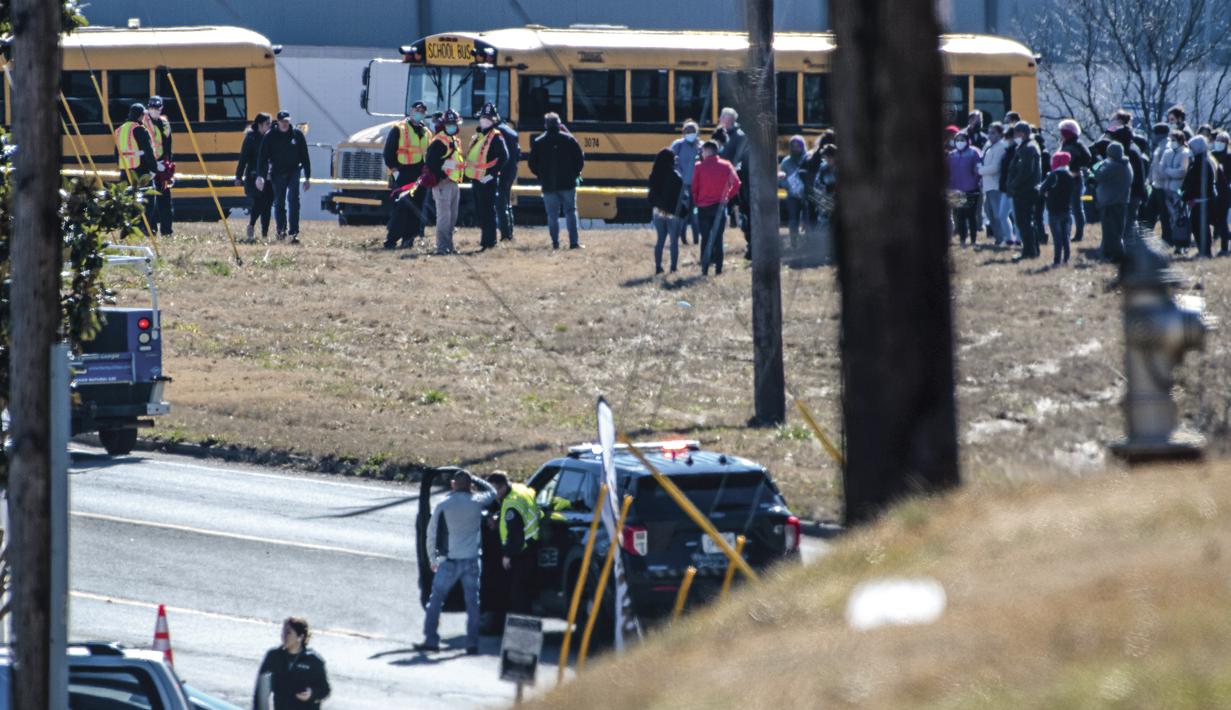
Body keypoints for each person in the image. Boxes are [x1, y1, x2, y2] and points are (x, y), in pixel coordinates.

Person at [414, 470, 498, 655]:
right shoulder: (477, 502)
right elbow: (492, 492)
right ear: (470, 486)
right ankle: (471, 644)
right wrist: (477, 479)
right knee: (473, 605)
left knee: (435, 601)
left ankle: (431, 640)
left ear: (453, 485)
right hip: (472, 561)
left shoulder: (444, 504)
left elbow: (431, 534)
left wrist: (432, 559)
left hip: (449, 561)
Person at [527, 112, 585, 250]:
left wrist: (540, 175)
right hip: (568, 184)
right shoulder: (570, 140)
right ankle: (574, 242)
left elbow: (532, 164)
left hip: (548, 185)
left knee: (552, 215)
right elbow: (579, 160)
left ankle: (555, 243)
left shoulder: (539, 142)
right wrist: (575, 173)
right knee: (570, 212)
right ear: (559, 124)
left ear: (545, 125)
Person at [487, 472, 542, 615]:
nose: (493, 496)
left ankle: (523, 634)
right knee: (525, 593)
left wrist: (507, 555)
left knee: (519, 595)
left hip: (522, 553)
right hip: (533, 545)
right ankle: (527, 631)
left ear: (503, 487)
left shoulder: (511, 505)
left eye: (494, 491)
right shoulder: (519, 489)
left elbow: (515, 533)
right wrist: (499, 517)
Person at [256, 111, 311, 244]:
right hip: (277, 173)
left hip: (294, 172)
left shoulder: (297, 135)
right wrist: (260, 176)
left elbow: (305, 156)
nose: (285, 123)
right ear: (278, 121)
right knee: (279, 203)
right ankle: (281, 231)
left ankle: (294, 233)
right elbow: (262, 158)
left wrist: (308, 177)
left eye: (287, 121)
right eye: (282, 121)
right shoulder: (270, 136)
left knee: (293, 200)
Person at [382, 100, 431, 249]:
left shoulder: (427, 132)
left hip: (420, 176)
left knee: (416, 209)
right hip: (403, 174)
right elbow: (388, 153)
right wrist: (395, 172)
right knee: (401, 209)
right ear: (411, 111)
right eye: (417, 110)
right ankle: (391, 240)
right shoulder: (399, 129)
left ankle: (408, 239)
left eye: (422, 111)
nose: (419, 113)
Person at [253, 617, 331, 710]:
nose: (284, 636)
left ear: (300, 637)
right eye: (283, 632)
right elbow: (261, 689)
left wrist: (312, 693)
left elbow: (325, 689)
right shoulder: (273, 657)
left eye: (288, 632)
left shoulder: (313, 661)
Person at [691, 139, 741, 276]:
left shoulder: (698, 167)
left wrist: (696, 200)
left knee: (705, 239)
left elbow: (694, 187)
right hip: (719, 207)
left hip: (703, 207)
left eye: (702, 151)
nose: (701, 153)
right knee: (718, 239)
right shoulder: (726, 165)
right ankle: (718, 270)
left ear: (707, 151)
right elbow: (736, 184)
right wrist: (727, 197)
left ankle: (705, 269)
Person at [468, 103, 509, 252]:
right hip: (477, 180)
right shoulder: (479, 135)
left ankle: (490, 242)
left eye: (488, 117)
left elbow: (504, 157)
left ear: (494, 119)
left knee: (488, 212)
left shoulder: (496, 136)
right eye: (483, 117)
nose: (485, 120)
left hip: (488, 181)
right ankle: (485, 241)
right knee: (481, 212)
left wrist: (491, 175)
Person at [424, 109, 465, 255]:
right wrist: (442, 175)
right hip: (443, 183)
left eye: (454, 123)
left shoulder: (454, 139)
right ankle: (442, 247)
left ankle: (449, 246)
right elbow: (431, 162)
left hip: (453, 182)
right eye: (449, 123)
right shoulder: (439, 141)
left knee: (452, 216)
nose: (452, 126)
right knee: (444, 216)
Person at [115, 103, 158, 231]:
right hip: (140, 169)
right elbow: (148, 151)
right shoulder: (139, 129)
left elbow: (116, 153)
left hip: (125, 170)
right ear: (140, 116)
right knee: (148, 199)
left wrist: (122, 166)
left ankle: (128, 227)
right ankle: (143, 227)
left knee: (128, 200)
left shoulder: (119, 130)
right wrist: (153, 169)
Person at [235, 112, 274, 242]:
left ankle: (264, 234)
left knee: (267, 205)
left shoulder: (271, 137)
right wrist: (238, 176)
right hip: (253, 177)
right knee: (259, 202)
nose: (270, 126)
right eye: (267, 124)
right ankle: (251, 224)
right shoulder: (250, 138)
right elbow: (243, 159)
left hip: (268, 177)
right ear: (260, 125)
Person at [717, 108, 750, 257]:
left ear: (730, 120)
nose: (719, 119)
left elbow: (741, 160)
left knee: (744, 214)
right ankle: (716, 248)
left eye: (723, 117)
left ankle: (751, 245)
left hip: (737, 181)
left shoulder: (740, 136)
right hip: (720, 180)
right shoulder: (719, 134)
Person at [1006, 121, 1042, 258]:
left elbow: (1026, 171)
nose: (1014, 135)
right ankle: (1033, 250)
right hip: (1025, 189)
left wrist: (1013, 184)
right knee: (1026, 221)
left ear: (1023, 133)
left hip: (1025, 190)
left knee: (1024, 222)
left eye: (1016, 132)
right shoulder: (1025, 146)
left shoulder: (1028, 148)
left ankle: (1029, 252)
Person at [1095, 141, 1133, 262]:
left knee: (1111, 232)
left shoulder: (1112, 166)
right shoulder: (1126, 164)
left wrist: (1100, 164)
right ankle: (1107, 254)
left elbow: (1098, 176)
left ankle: (1117, 257)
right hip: (1120, 201)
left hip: (1110, 202)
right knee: (1115, 230)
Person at [647, 148, 684, 274]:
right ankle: (673, 267)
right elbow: (680, 195)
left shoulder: (654, 174)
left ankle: (658, 266)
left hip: (658, 211)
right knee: (674, 241)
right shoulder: (675, 176)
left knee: (660, 240)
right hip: (672, 213)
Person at [1182, 135, 1219, 258]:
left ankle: (1205, 252)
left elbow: (1198, 184)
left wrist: (1188, 195)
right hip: (1197, 201)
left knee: (1201, 227)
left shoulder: (1203, 164)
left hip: (1202, 201)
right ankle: (1203, 250)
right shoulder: (1197, 162)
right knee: (1197, 227)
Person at [143, 95, 174, 236]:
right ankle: (152, 230)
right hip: (149, 166)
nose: (154, 110)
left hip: (162, 165)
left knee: (165, 201)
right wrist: (152, 165)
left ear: (161, 108)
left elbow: (168, 146)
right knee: (150, 202)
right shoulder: (143, 122)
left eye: (157, 108)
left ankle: (167, 231)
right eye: (152, 108)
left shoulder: (165, 123)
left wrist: (168, 166)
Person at [1153, 130, 1191, 248]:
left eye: (1173, 140)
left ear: (1180, 141)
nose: (1171, 142)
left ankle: (1181, 243)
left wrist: (1168, 171)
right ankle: (1169, 240)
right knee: (1166, 218)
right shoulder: (1167, 153)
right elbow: (1160, 168)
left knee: (1179, 217)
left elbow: (1182, 172)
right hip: (1166, 189)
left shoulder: (1185, 153)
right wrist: (1168, 172)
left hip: (1178, 190)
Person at [1057, 119, 1091, 243]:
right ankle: (1067, 232)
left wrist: (1077, 168)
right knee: (1069, 208)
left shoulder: (1075, 145)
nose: (1060, 134)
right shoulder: (1068, 144)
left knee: (1076, 208)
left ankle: (1078, 234)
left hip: (1074, 180)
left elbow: (1087, 158)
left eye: (1062, 132)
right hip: (1067, 179)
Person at [670, 120, 703, 245]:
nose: (690, 133)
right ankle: (681, 237)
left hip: (697, 186)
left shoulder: (701, 146)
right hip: (682, 185)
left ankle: (696, 238)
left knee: (695, 212)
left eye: (693, 131)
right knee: (683, 212)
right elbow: (671, 161)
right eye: (688, 131)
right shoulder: (678, 145)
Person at [490, 105, 521, 242]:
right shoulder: (510, 130)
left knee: (501, 204)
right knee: (507, 202)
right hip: (511, 171)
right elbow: (518, 154)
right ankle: (509, 232)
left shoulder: (497, 132)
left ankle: (505, 234)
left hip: (502, 171)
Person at [979, 122, 1013, 245]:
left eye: (993, 133)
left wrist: (979, 171)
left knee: (999, 215)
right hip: (988, 186)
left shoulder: (1001, 147)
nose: (990, 135)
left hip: (996, 186)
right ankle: (999, 238)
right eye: (989, 132)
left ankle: (1006, 237)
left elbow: (995, 168)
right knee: (990, 213)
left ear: (1000, 134)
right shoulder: (990, 147)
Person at [1040, 151, 1075, 266]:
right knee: (1066, 237)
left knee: (1057, 238)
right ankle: (1066, 259)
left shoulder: (1054, 175)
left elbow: (1042, 189)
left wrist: (1047, 192)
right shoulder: (1070, 176)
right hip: (1067, 210)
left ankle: (1056, 261)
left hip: (1054, 211)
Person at [947, 130, 982, 246]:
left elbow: (978, 170)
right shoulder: (952, 155)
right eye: (957, 140)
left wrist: (975, 181)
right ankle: (962, 239)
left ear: (967, 141)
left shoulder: (974, 153)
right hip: (955, 189)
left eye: (962, 140)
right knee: (959, 215)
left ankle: (973, 240)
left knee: (971, 215)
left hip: (971, 189)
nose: (959, 142)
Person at [779, 135, 809, 247]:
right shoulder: (786, 162)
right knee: (793, 219)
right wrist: (789, 187)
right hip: (792, 196)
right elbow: (782, 179)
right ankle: (794, 243)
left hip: (807, 195)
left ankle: (808, 242)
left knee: (808, 219)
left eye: (798, 146)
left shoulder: (808, 158)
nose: (796, 148)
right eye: (793, 146)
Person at [1211, 131, 1231, 255]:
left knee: (1222, 219)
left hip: (1224, 192)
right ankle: (1223, 237)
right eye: (1217, 140)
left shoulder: (1229, 157)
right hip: (1212, 191)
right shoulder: (1212, 155)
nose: (1219, 143)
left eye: (1222, 141)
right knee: (1216, 219)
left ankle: (1224, 246)